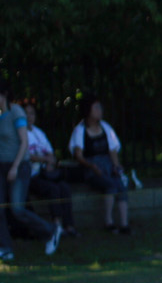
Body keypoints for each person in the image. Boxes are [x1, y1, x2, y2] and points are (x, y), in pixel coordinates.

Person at [0, 83, 54, 260]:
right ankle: (6, 248)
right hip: (1, 167)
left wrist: (15, 167)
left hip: (19, 166)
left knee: (17, 208)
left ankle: (49, 231)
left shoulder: (16, 112)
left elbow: (24, 142)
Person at [69, 96, 130, 234]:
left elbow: (112, 150)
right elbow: (78, 155)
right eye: (96, 107)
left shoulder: (106, 127)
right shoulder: (80, 130)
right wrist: (92, 166)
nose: (99, 110)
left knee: (120, 185)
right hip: (92, 169)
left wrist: (116, 166)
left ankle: (124, 224)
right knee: (110, 185)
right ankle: (109, 222)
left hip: (107, 166)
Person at [23, 103, 74, 246]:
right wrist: (44, 159)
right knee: (53, 189)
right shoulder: (21, 133)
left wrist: (50, 161)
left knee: (64, 187)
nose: (29, 117)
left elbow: (50, 152)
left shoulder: (39, 133)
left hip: (47, 173)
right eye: (26, 113)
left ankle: (69, 226)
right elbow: (26, 155)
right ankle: (56, 225)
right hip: (32, 175)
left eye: (32, 113)